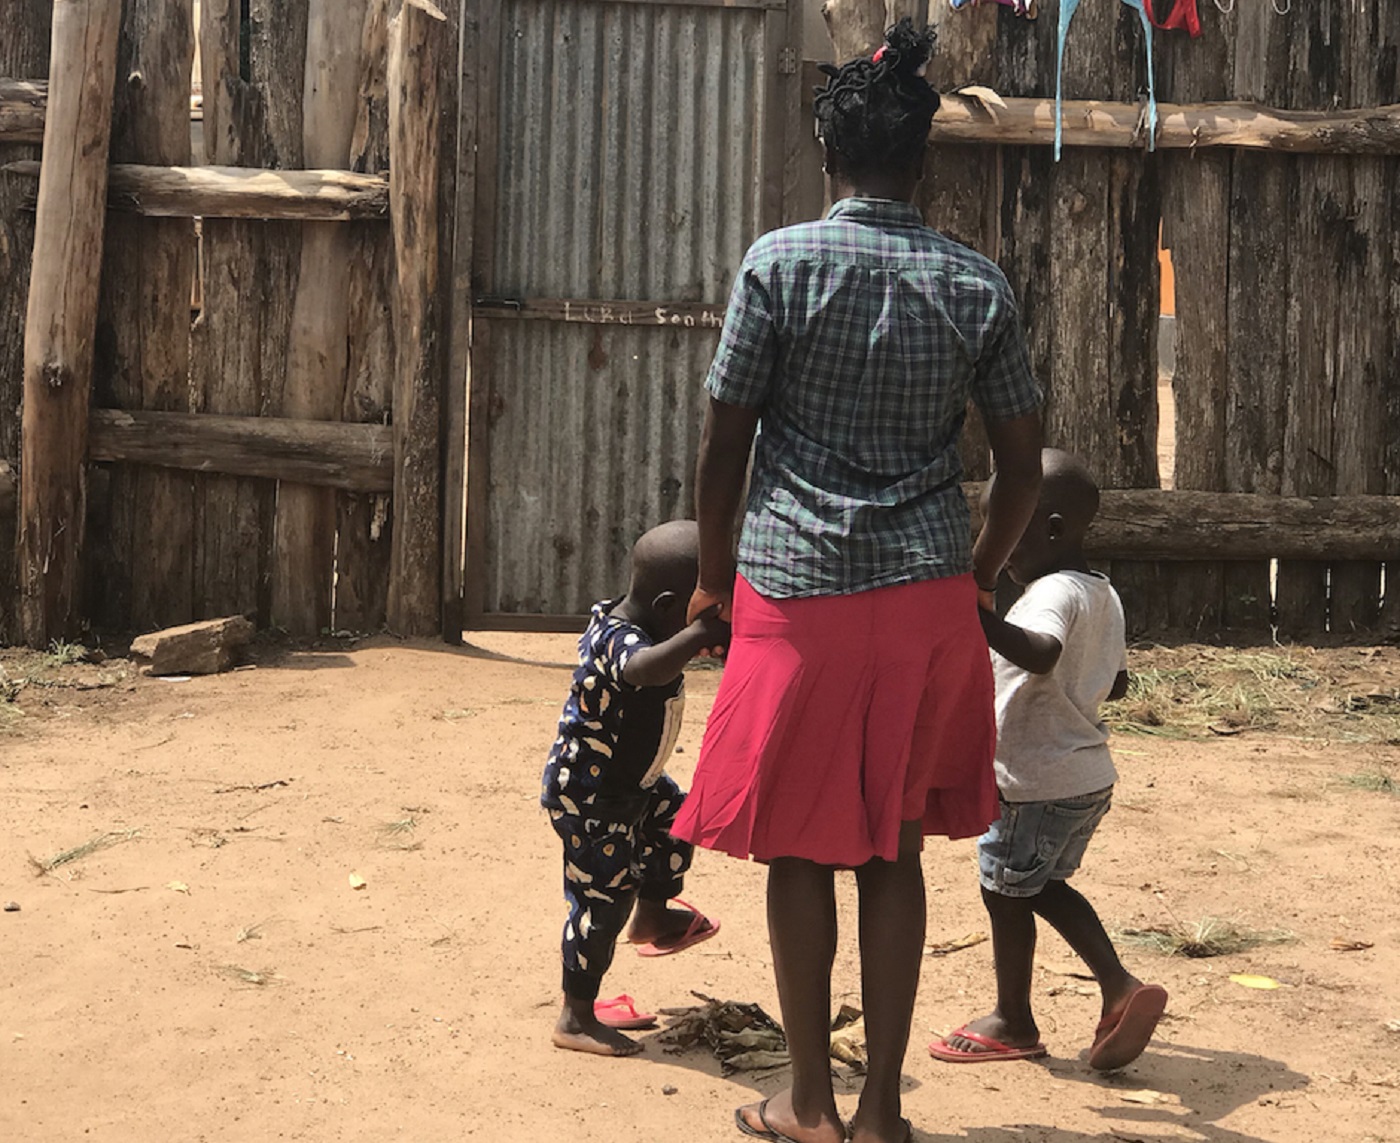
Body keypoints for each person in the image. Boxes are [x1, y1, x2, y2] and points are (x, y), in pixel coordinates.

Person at [669, 20, 1044, 1143]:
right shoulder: (974, 283)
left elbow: (723, 446)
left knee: (797, 847)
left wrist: (712, 583)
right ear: (917, 161)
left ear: (827, 158)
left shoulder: (777, 263)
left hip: (797, 593)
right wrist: (975, 578)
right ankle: (882, 1111)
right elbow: (1021, 469)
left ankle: (807, 1103)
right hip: (926, 594)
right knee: (890, 848)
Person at [929, 450, 1168, 1071]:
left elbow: (1038, 653)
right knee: (1042, 886)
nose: (992, 545)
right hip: (1084, 777)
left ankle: (1018, 1020)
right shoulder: (1102, 593)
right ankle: (1117, 988)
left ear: (1054, 529)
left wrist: (977, 617)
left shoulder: (1051, 593)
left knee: (1007, 892)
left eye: (1003, 528)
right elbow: (1115, 684)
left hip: (1035, 781)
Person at [541, 520, 727, 1058]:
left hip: (636, 786)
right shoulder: (618, 639)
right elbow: (639, 672)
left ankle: (654, 915)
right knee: (603, 898)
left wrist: (703, 638)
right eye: (707, 607)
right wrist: (698, 637)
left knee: (678, 820)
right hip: (592, 796)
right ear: (671, 607)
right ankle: (575, 1017)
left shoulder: (660, 627)